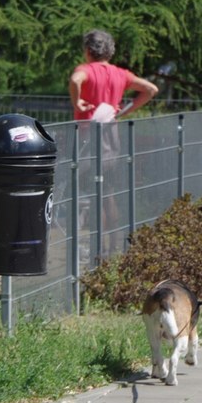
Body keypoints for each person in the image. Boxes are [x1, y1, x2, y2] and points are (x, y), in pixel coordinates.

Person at [68, 30, 159, 255]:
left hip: (87, 137)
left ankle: (93, 250)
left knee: (89, 193)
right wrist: (125, 111)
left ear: (88, 51)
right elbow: (151, 89)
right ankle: (112, 248)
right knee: (107, 192)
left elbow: (75, 80)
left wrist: (77, 102)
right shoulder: (120, 74)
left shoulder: (85, 70)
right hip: (111, 136)